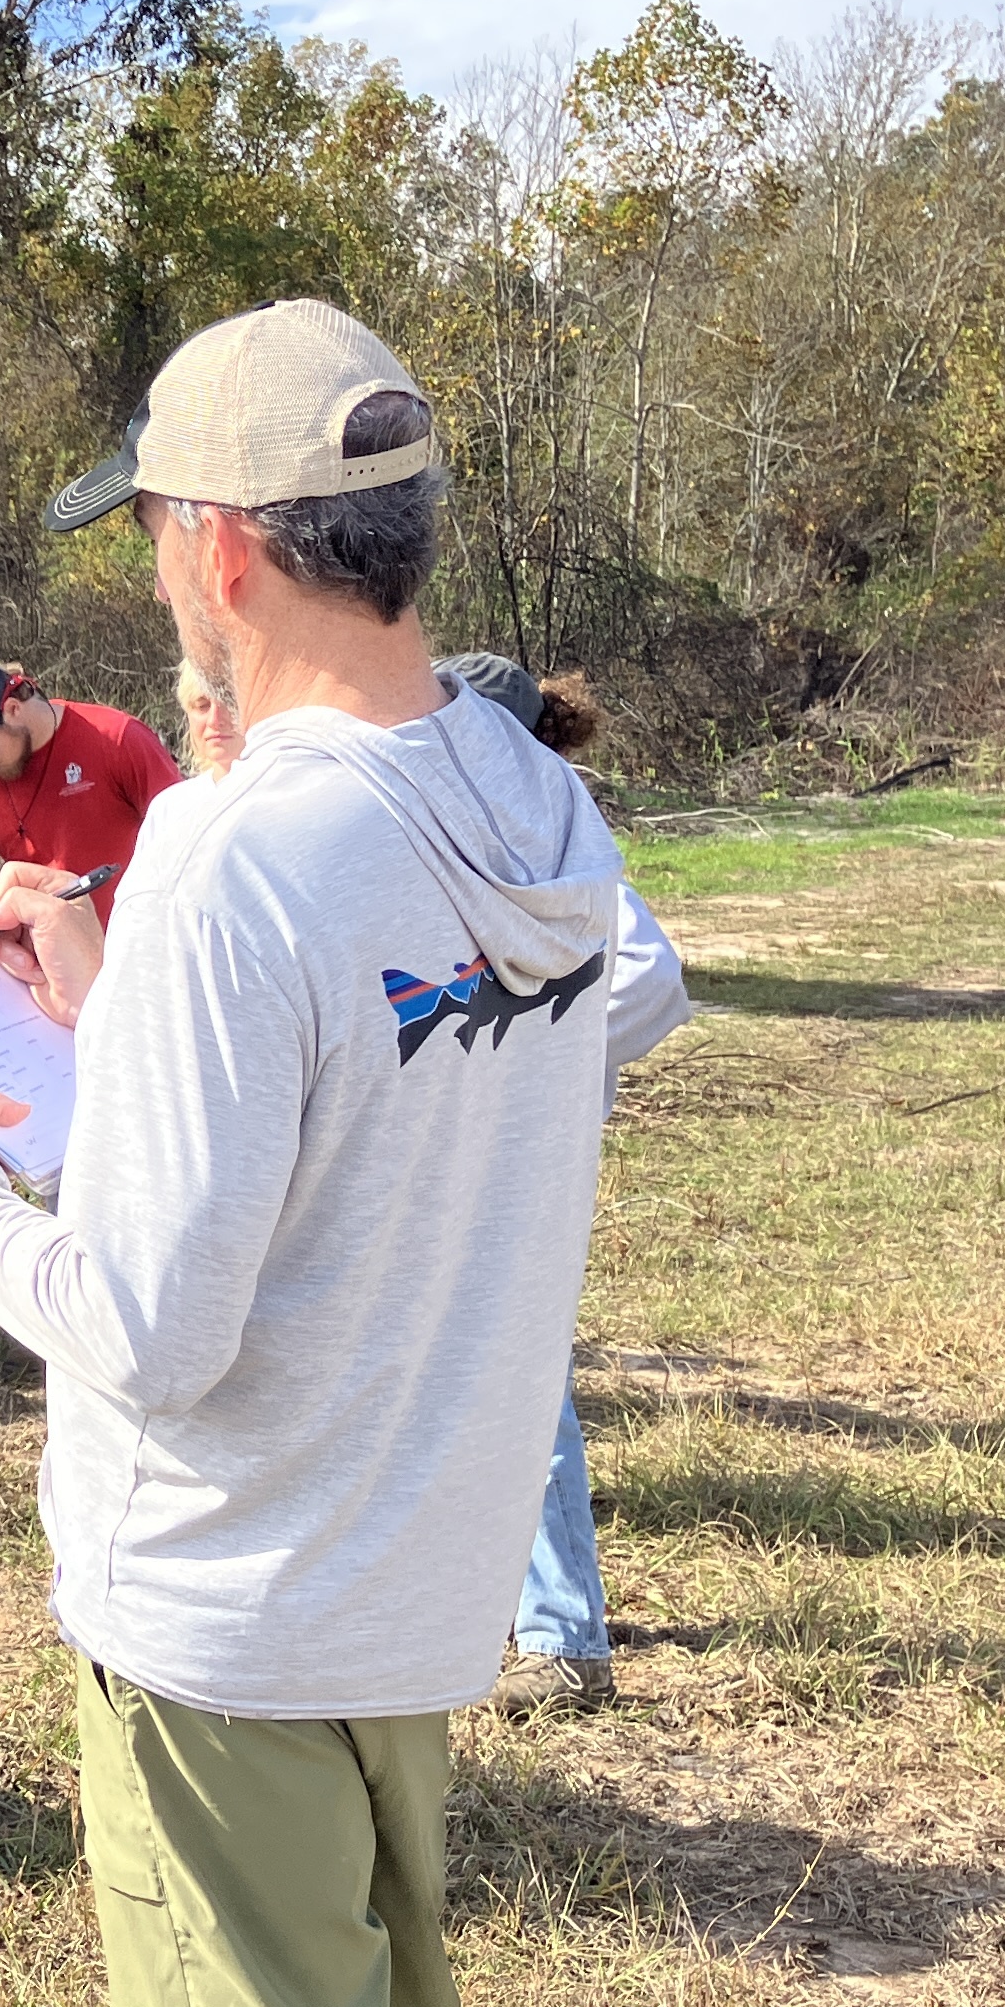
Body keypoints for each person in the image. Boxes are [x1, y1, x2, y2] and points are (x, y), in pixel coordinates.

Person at [0, 299, 625, 2007]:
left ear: (220, 544)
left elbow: (153, 1329)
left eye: (148, 530)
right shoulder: (536, 801)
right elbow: (373, 1100)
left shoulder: (240, 850)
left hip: (224, 1592)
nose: (151, 572)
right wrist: (116, 1011)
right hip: (418, 1560)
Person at [431, 650, 693, 1716]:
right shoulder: (464, 830)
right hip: (451, 1145)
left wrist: (532, 1065)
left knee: (519, 1377)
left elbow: (650, 981)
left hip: (515, 1155)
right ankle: (498, 1599)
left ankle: (564, 1635)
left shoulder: (552, 836)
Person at [0, 654, 184, 915]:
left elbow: (187, 846)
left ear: (13, 709)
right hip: (39, 943)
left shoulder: (117, 740)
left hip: (129, 937)